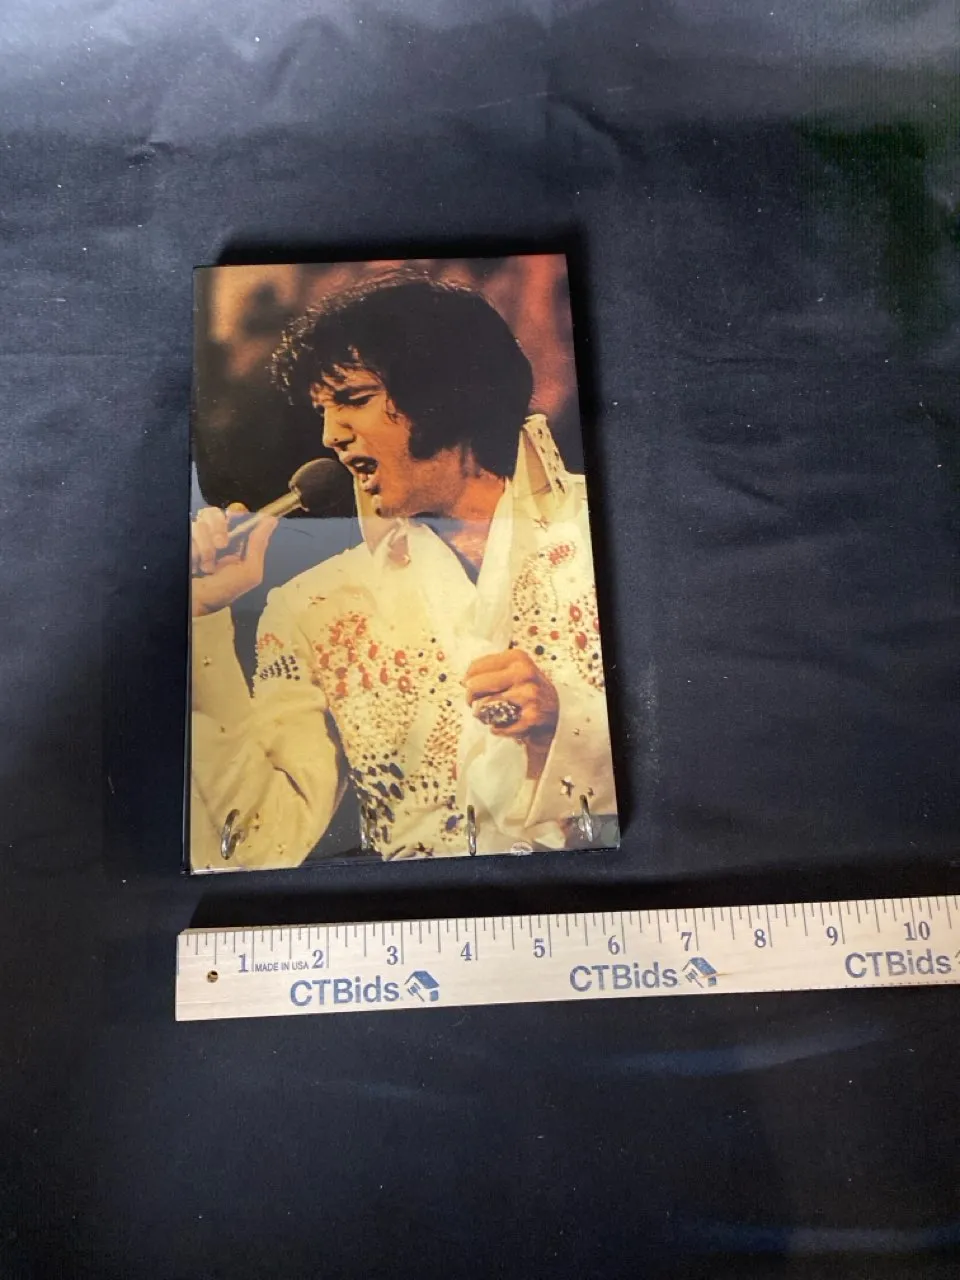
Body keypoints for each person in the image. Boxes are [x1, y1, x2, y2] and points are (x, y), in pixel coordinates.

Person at [190, 274, 617, 868]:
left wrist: (565, 724)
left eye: (354, 398)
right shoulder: (317, 608)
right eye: (323, 411)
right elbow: (257, 844)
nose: (331, 436)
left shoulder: (609, 528)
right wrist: (204, 620)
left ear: (447, 393)